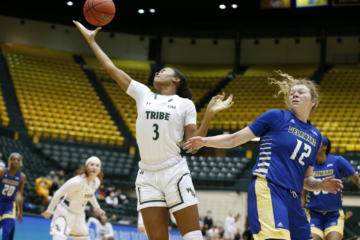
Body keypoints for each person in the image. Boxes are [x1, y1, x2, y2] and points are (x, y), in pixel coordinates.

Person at [73, 20, 233, 240]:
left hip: (174, 171)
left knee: (193, 236)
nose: (158, 71)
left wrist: (209, 114)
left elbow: (193, 144)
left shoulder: (185, 105)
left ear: (176, 80)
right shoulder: (143, 94)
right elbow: (111, 69)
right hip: (146, 175)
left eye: (164, 70)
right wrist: (91, 41)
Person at [184, 72, 343, 240]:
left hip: (294, 199)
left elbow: (306, 180)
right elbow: (234, 139)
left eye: (301, 92)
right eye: (291, 93)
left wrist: (320, 185)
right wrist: (205, 141)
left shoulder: (316, 135)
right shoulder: (276, 117)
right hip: (269, 189)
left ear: (313, 101)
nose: (294, 94)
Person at [302, 137, 360, 240]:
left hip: (334, 213)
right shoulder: (307, 164)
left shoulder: (338, 161)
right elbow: (303, 192)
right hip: (313, 213)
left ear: (325, 147)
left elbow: (357, 180)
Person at [41, 156, 105, 240]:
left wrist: (98, 208)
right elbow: (58, 193)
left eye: (97, 165)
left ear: (100, 169)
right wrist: (49, 210)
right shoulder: (77, 182)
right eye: (92, 165)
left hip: (79, 216)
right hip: (64, 213)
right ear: (86, 167)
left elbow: (90, 194)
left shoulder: (97, 182)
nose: (94, 167)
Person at [0, 153, 26, 240]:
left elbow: (19, 195)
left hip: (10, 205)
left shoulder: (22, 177)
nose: (16, 161)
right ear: (10, 161)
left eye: (18, 160)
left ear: (20, 163)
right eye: (14, 159)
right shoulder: (2, 172)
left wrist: (20, 211)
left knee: (7, 232)